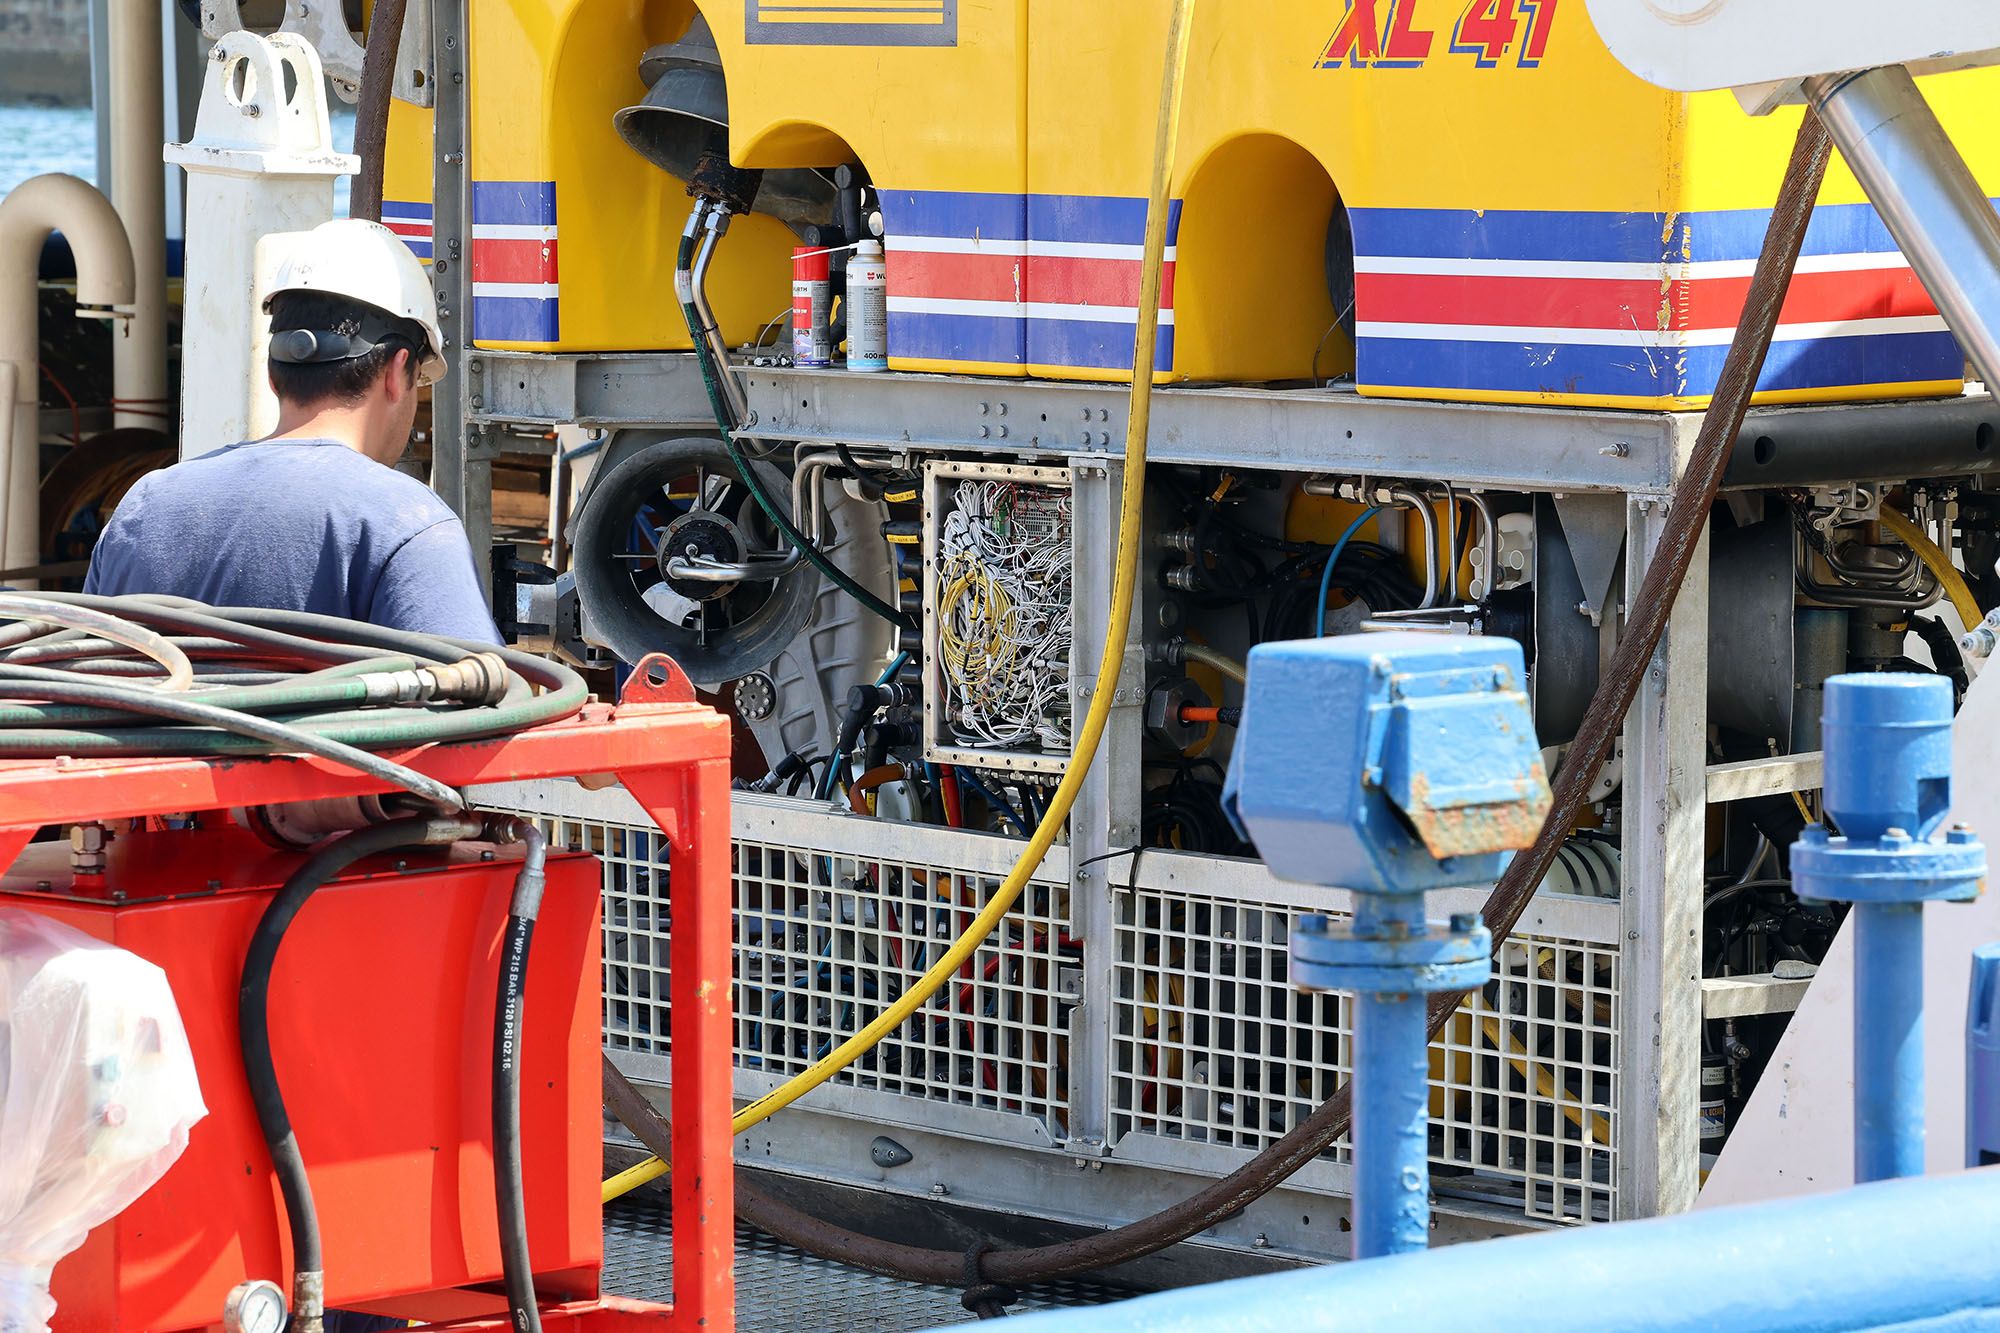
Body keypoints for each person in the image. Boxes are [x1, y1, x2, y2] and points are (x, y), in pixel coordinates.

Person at [85, 218, 499, 645]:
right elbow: (483, 697)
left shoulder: (145, 508)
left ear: (273, 372)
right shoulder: (406, 523)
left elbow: (84, 678)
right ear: (397, 372)